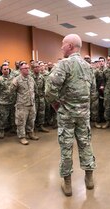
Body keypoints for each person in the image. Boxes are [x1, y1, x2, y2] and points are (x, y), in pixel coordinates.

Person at [45, 34, 96, 196]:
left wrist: (55, 104)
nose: (61, 47)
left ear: (70, 46)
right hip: (83, 115)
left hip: (66, 114)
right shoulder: (89, 67)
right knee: (85, 143)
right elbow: (93, 92)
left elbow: (49, 89)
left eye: (63, 44)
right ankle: (89, 178)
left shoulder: (64, 65)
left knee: (66, 147)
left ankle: (68, 183)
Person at [12, 62, 38, 145]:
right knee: (21, 121)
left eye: (28, 68)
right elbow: (11, 91)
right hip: (22, 104)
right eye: (25, 68)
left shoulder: (31, 78)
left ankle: (30, 133)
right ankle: (22, 137)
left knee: (31, 120)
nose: (28, 69)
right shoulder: (16, 80)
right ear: (21, 70)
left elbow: (35, 89)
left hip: (31, 103)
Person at [0, 65, 16, 139]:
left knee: (13, 117)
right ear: (1, 71)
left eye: (7, 69)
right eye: (5, 69)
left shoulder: (14, 79)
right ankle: (2, 130)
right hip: (3, 102)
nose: (6, 70)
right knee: (3, 118)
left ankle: (13, 128)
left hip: (12, 101)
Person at [33, 62, 49, 132]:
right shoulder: (30, 77)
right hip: (33, 98)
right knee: (33, 113)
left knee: (41, 112)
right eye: (35, 67)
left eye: (38, 67)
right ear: (33, 69)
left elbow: (44, 87)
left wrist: (44, 95)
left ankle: (41, 125)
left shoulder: (42, 77)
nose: (37, 68)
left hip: (41, 97)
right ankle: (32, 127)